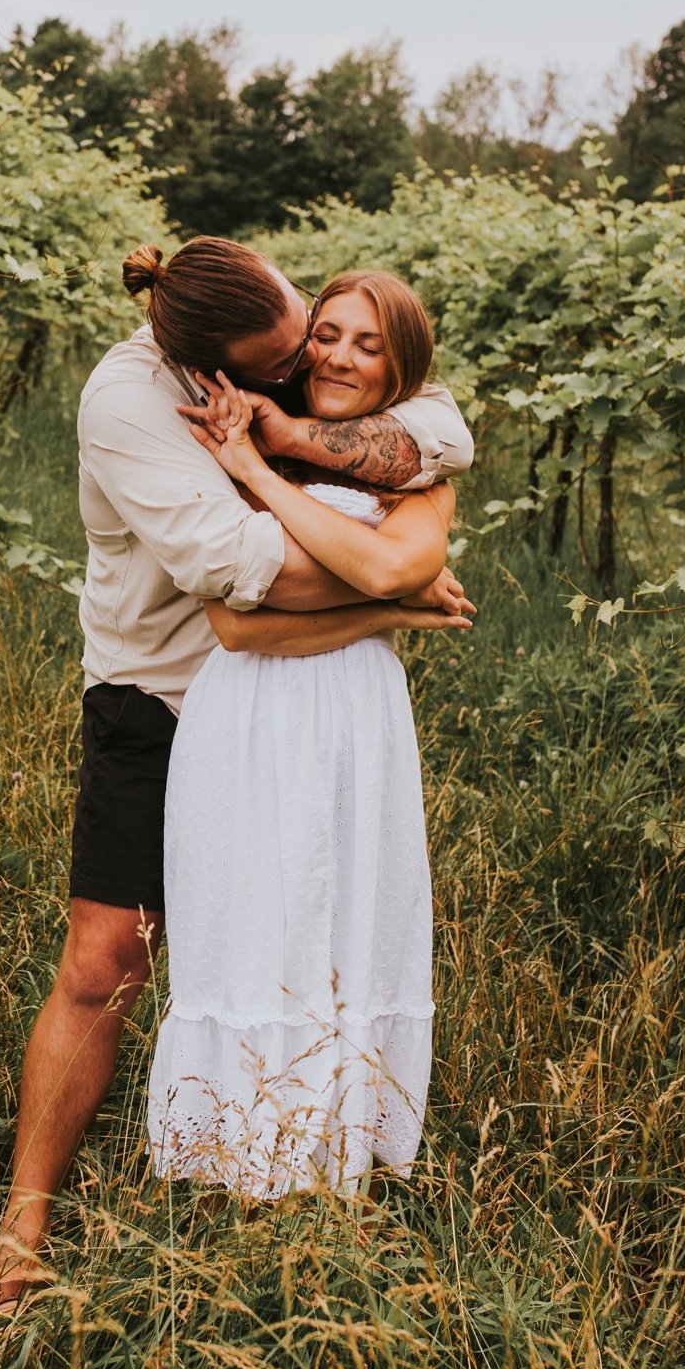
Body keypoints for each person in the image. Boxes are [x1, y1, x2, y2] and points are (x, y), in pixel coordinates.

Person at [0, 235, 473, 1313]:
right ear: (201, 359)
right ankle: (25, 1219)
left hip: (297, 710)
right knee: (108, 955)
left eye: (305, 341)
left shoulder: (283, 351)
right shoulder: (128, 406)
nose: (304, 366)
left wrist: (303, 437)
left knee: (308, 941)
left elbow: (436, 422)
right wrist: (394, 589)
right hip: (164, 696)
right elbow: (241, 584)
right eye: (283, 358)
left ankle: (298, 1178)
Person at [148, 272, 451, 1201]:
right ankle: (236, 1159)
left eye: (370, 344)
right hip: (246, 712)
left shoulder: (413, 461)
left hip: (358, 715)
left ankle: (336, 1156)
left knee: (353, 909)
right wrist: (395, 611)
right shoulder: (234, 432)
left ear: (399, 363)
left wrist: (260, 474)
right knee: (253, 914)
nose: (341, 358)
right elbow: (238, 627)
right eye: (328, 334)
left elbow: (396, 558)